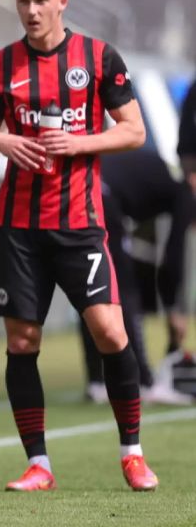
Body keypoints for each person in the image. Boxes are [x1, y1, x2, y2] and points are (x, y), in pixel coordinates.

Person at [0, 0, 158, 491]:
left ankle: (132, 453)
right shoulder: (0, 65)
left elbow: (135, 131)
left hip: (80, 222)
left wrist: (81, 142)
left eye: (40, 1)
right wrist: (1, 141)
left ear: (61, 2)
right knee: (23, 341)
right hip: (17, 227)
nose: (30, 11)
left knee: (109, 330)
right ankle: (39, 464)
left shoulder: (98, 58)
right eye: (22, 1)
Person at [78, 149, 194, 405]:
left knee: (92, 288)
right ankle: (144, 381)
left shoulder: (162, 176)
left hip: (79, 189)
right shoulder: (185, 192)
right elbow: (173, 257)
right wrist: (174, 309)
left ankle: (97, 382)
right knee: (124, 288)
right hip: (100, 194)